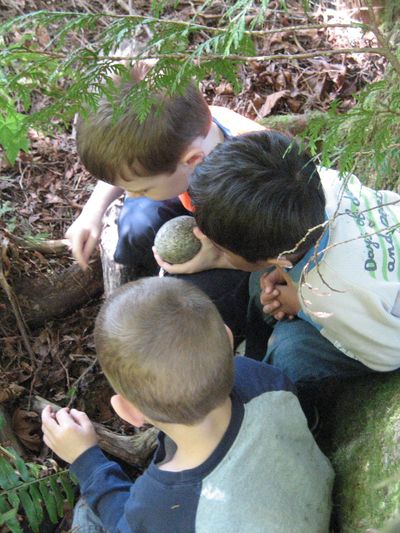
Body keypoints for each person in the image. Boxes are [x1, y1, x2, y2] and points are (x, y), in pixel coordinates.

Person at [41, 277, 334, 533]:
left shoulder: (158, 504)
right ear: (228, 337)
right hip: (310, 508)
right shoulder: (261, 378)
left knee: (86, 514)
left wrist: (86, 461)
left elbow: (124, 525)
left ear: (129, 412)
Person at [66, 62, 265, 343]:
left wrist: (219, 258)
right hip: (192, 200)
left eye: (142, 188)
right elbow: (129, 166)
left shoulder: (249, 187)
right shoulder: (186, 135)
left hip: (244, 247)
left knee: (189, 305)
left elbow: (273, 257)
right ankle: (150, 267)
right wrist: (92, 211)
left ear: (192, 161)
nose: (130, 195)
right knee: (136, 227)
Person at [188, 130, 400, 392]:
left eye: (219, 249)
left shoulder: (330, 293)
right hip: (357, 279)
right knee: (260, 284)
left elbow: (390, 353)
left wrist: (303, 306)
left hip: (383, 326)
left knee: (290, 351)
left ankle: (298, 411)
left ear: (278, 258)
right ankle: (252, 356)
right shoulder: (318, 182)